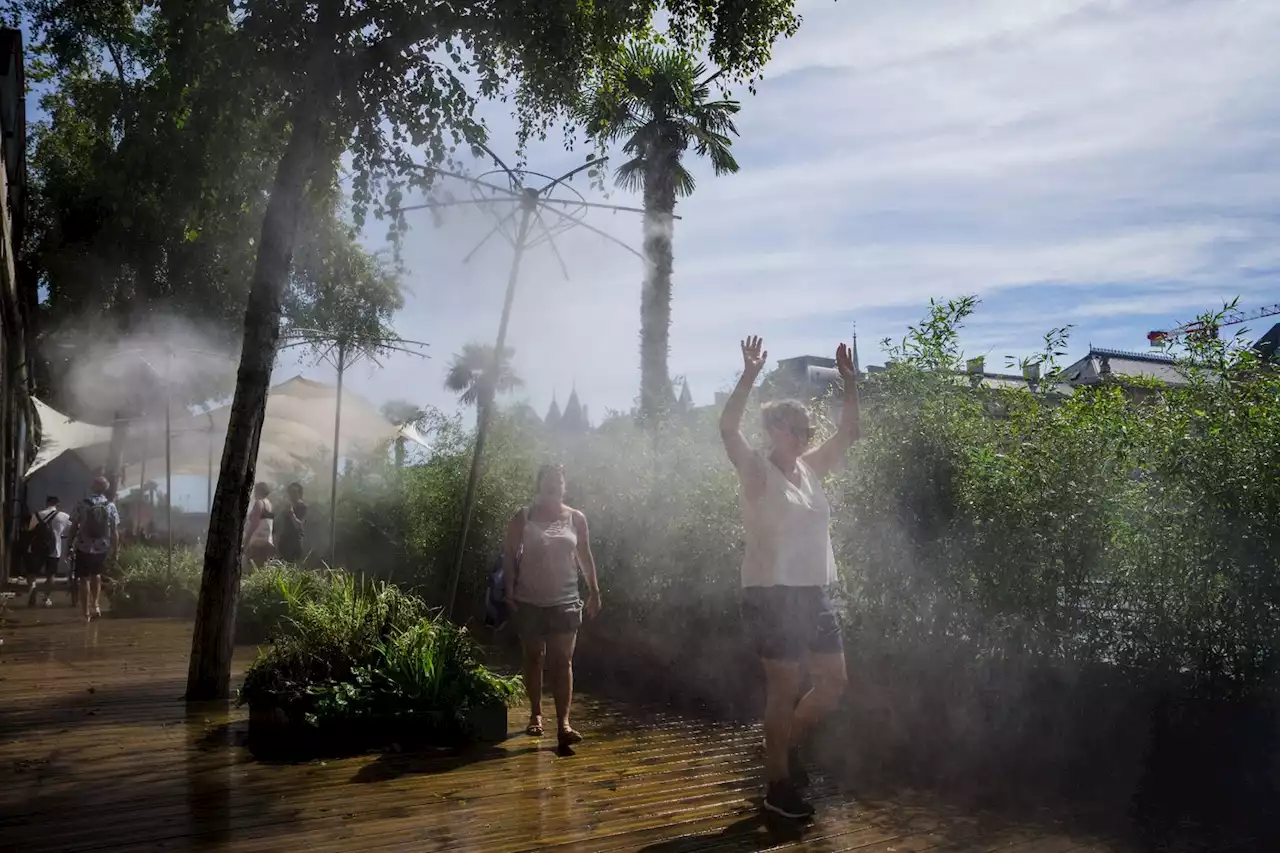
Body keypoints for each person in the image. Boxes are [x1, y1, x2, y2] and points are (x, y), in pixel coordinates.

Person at [719, 335, 861, 820]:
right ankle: (777, 785)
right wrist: (748, 375)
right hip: (771, 594)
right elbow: (726, 428)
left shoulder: (809, 469)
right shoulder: (757, 471)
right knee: (783, 688)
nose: (801, 436)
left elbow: (848, 436)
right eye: (793, 428)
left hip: (814, 591)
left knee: (834, 683)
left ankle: (783, 750)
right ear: (775, 429)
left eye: (805, 429)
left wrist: (849, 384)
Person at [502, 463, 601, 751]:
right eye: (547, 483)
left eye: (557, 483)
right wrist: (508, 587)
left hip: (566, 600)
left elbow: (585, 555)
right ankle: (535, 714)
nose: (553, 488)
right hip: (529, 599)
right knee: (534, 658)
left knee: (563, 662)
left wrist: (595, 591)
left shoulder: (576, 518)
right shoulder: (523, 517)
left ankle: (564, 725)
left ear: (564, 486)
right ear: (539, 486)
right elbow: (509, 553)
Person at [68, 476, 120, 623]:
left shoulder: (82, 504)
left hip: (83, 546)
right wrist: (115, 550)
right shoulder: (110, 505)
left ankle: (86, 613)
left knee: (83, 579)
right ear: (105, 488)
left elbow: (73, 527)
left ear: (93, 486)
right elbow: (115, 531)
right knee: (96, 576)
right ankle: (95, 605)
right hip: (101, 546)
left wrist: (69, 545)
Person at [26, 496, 71, 607]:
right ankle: (46, 598)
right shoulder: (64, 516)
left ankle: (32, 589)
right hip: (54, 550)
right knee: (51, 574)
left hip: (37, 548)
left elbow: (30, 529)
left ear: (47, 503)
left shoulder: (37, 515)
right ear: (58, 504)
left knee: (32, 572)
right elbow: (72, 529)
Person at [242, 482, 275, 569]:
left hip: (256, 542)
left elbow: (254, 524)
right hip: (267, 540)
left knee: (251, 569)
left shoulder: (259, 503)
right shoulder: (269, 504)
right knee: (261, 568)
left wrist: (246, 540)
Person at [275, 482, 308, 563]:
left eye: (294, 491)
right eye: (290, 492)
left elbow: (299, 525)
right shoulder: (287, 507)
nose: (291, 494)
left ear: (299, 493)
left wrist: (291, 513)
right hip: (284, 542)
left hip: (295, 543)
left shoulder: (302, 507)